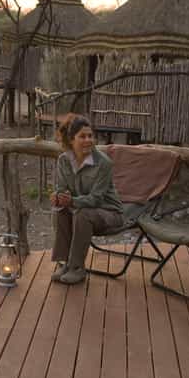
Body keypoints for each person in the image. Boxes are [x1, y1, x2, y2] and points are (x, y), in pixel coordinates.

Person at [49, 114, 124, 285]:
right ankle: (65, 263)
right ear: (71, 139)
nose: (88, 140)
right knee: (60, 210)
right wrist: (58, 198)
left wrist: (72, 202)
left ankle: (77, 268)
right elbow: (61, 189)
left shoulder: (103, 163)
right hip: (81, 210)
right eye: (82, 136)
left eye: (90, 136)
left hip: (109, 213)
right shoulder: (64, 161)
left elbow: (96, 199)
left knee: (82, 213)